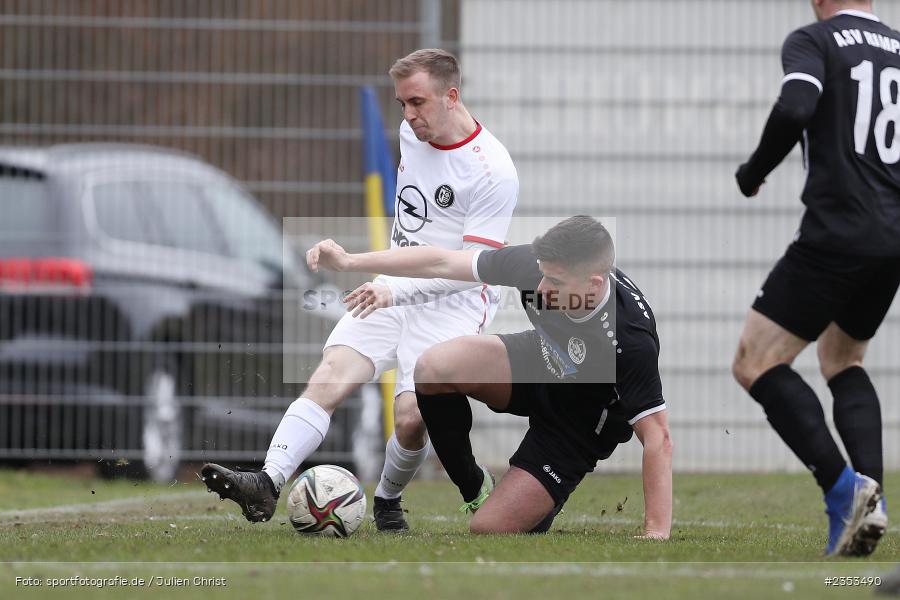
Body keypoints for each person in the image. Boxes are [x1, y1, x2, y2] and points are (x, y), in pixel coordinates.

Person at [202, 49, 518, 532]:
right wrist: (382, 280)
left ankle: (388, 500)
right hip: (391, 288)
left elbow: (471, 269)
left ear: (452, 96)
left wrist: (394, 288)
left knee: (411, 418)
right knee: (329, 375)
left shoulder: (493, 170)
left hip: (451, 306)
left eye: (417, 103)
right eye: (402, 105)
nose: (408, 117)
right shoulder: (415, 134)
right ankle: (267, 483)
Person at [307, 216, 673, 537]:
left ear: (594, 285)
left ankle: (538, 502)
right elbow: (442, 261)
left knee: (489, 527)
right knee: (433, 365)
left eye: (555, 282)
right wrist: (351, 261)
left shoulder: (628, 339)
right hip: (542, 361)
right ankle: (473, 486)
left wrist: (656, 532)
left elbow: (657, 435)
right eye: (543, 275)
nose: (541, 290)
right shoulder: (533, 266)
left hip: (577, 424)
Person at [733, 0, 895, 556]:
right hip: (891, 240)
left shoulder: (815, 40)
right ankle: (873, 506)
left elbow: (797, 105)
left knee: (755, 362)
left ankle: (843, 490)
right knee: (842, 360)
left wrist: (752, 173)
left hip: (835, 235)